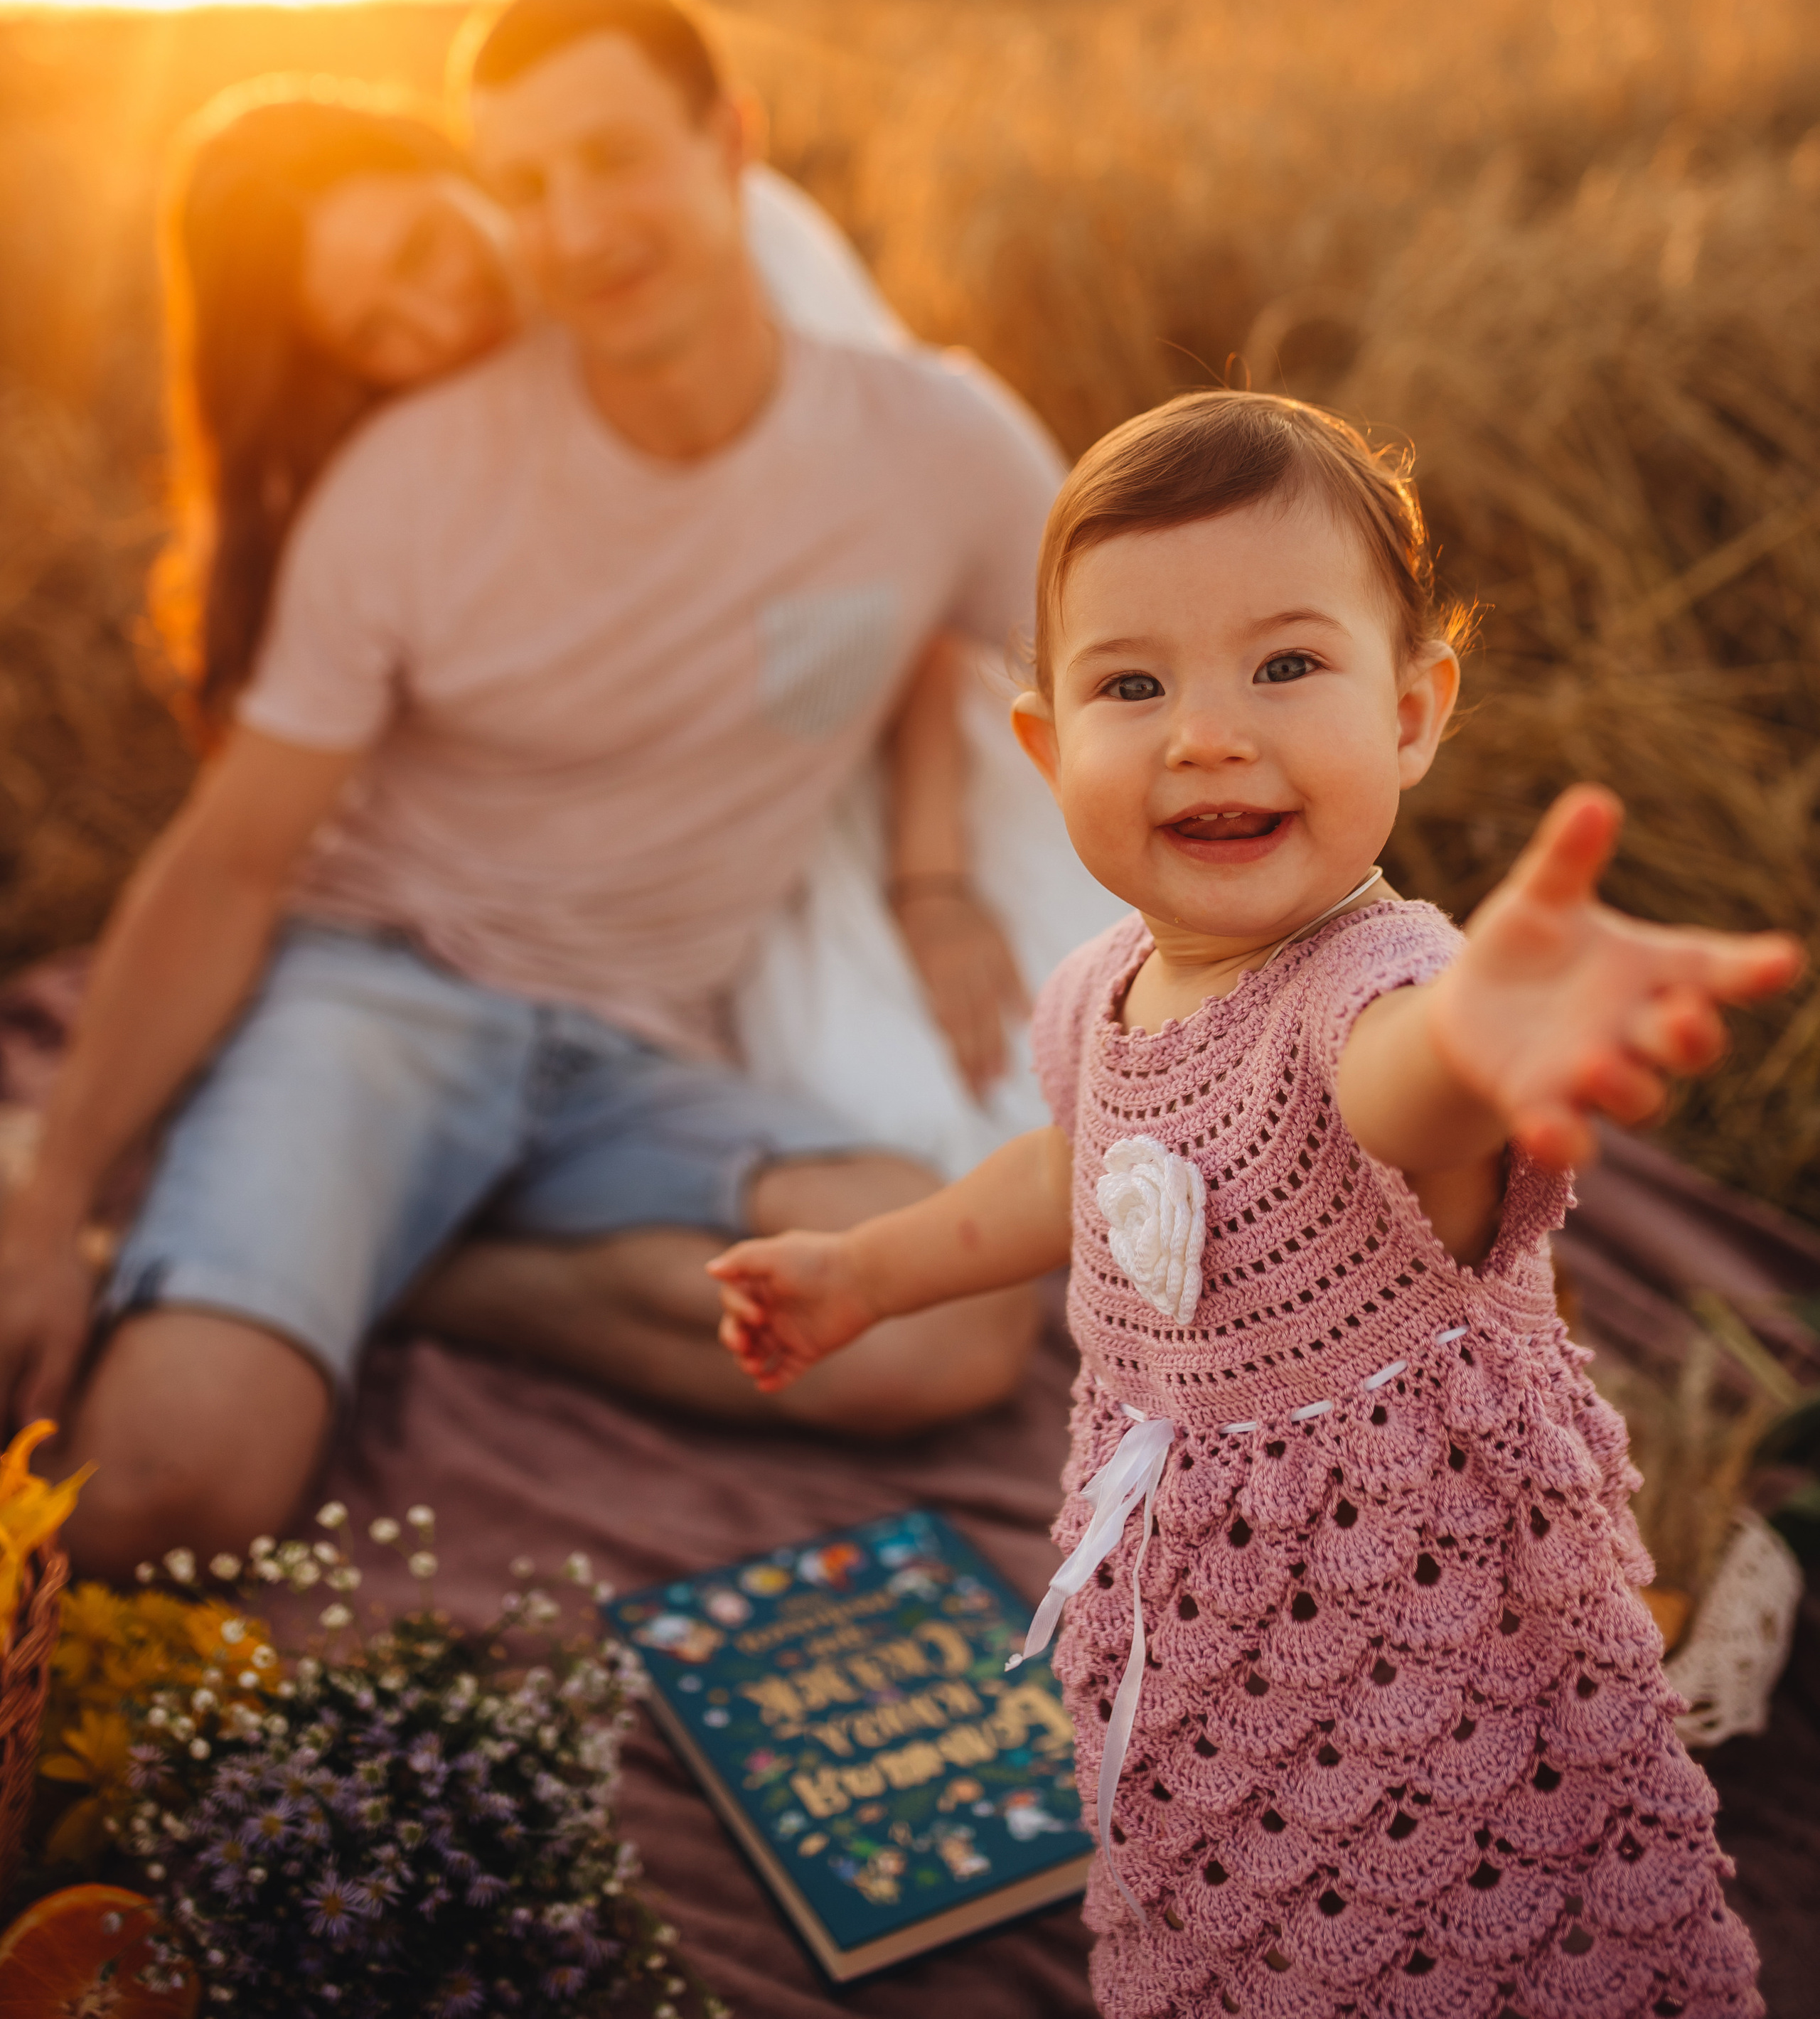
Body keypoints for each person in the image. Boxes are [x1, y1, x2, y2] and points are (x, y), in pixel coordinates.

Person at [710, 387, 1797, 2019]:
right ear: (1045, 746)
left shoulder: (1377, 993)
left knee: (1476, 1950)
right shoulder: (1101, 994)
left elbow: (1391, 1092)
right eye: (1130, 685)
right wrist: (866, 1273)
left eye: (1284, 666)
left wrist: (1484, 1035)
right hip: (1200, 1644)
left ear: (1415, 709)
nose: (1205, 733)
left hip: (1441, 1666)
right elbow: (1081, 1177)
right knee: (1241, 1930)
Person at [0, 0, 1062, 1584]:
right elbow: (228, 860)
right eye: (528, 187)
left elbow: (1094, 676)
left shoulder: (935, 447)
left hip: (638, 1047)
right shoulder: (411, 479)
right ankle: (281, 1213)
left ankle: (402, 1264)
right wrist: (51, 1184)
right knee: (174, 1482)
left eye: (613, 162)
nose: (572, 227)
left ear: (731, 144)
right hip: (388, 996)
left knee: (952, 1325)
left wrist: (1355, 1021)